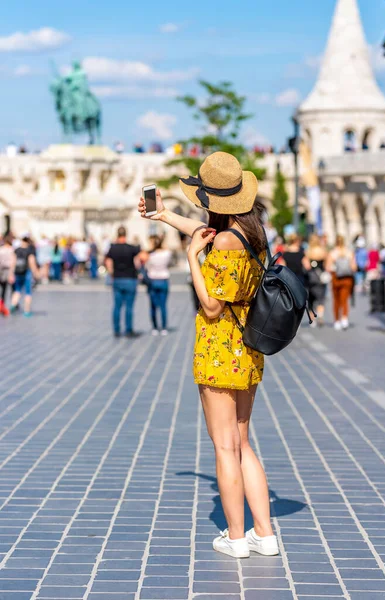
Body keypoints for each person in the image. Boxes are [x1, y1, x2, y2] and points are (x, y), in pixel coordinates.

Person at [138, 152, 279, 559]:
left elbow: (212, 305)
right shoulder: (250, 235)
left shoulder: (223, 246)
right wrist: (163, 215)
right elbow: (202, 230)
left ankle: (235, 537)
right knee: (243, 442)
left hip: (219, 352)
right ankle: (264, 534)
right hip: (248, 350)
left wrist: (190, 259)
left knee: (223, 448)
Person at [105, 226, 140, 338]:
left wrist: (112, 273)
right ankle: (128, 330)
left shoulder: (113, 248)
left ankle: (116, 330)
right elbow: (138, 262)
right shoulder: (131, 248)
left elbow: (108, 262)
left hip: (118, 279)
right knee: (129, 306)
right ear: (126, 234)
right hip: (130, 278)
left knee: (117, 306)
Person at [140, 235, 172, 336]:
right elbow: (168, 249)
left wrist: (150, 247)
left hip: (152, 280)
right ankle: (164, 327)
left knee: (153, 306)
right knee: (163, 306)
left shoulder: (150, 255)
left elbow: (142, 260)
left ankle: (154, 327)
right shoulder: (166, 254)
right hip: (163, 280)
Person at [326, 235, 357, 331]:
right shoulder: (349, 252)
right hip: (347, 278)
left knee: (336, 300)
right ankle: (344, 319)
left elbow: (328, 267)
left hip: (336, 278)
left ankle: (337, 321)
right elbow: (354, 267)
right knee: (345, 300)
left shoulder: (332, 253)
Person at [9, 235, 39, 317]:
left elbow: (13, 262)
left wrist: (11, 274)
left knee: (17, 290)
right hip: (26, 273)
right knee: (28, 292)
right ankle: (27, 311)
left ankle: (13, 304)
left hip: (17, 272)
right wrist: (35, 273)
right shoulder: (30, 250)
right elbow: (32, 263)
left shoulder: (17, 250)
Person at [306, 234, 328, 327]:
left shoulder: (308, 251)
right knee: (321, 298)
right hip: (320, 277)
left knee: (311, 298)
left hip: (311, 277)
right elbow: (327, 265)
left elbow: (306, 266)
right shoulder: (323, 251)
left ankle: (312, 319)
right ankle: (320, 316)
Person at [0, 234, 14, 316]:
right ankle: (3, 304)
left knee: (2, 288)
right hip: (8, 270)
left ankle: (2, 304)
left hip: (1, 270)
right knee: (5, 289)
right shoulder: (11, 250)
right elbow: (13, 262)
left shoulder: (1, 250)